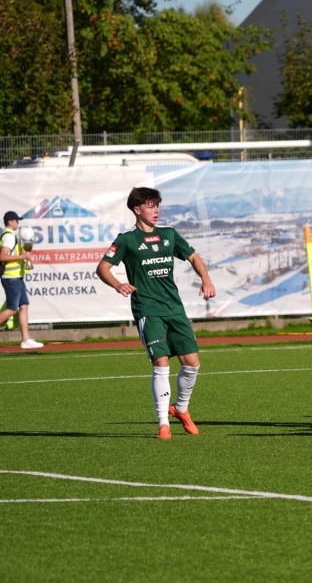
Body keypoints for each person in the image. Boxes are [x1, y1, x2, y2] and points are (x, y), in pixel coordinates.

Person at [96, 187, 216, 440]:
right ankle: (163, 423)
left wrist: (206, 280)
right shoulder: (126, 239)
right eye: (150, 206)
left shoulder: (169, 234)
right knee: (161, 363)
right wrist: (118, 284)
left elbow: (194, 258)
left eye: (157, 205)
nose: (156, 210)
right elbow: (103, 268)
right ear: (137, 210)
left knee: (192, 363)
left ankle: (180, 409)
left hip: (175, 308)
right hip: (148, 310)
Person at [0, 211, 43, 349]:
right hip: (11, 277)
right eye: (16, 220)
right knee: (12, 309)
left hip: (17, 277)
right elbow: (2, 257)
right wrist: (23, 256)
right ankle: (25, 340)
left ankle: (25, 340)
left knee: (24, 306)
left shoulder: (11, 236)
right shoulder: (9, 237)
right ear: (10, 222)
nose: (18, 223)